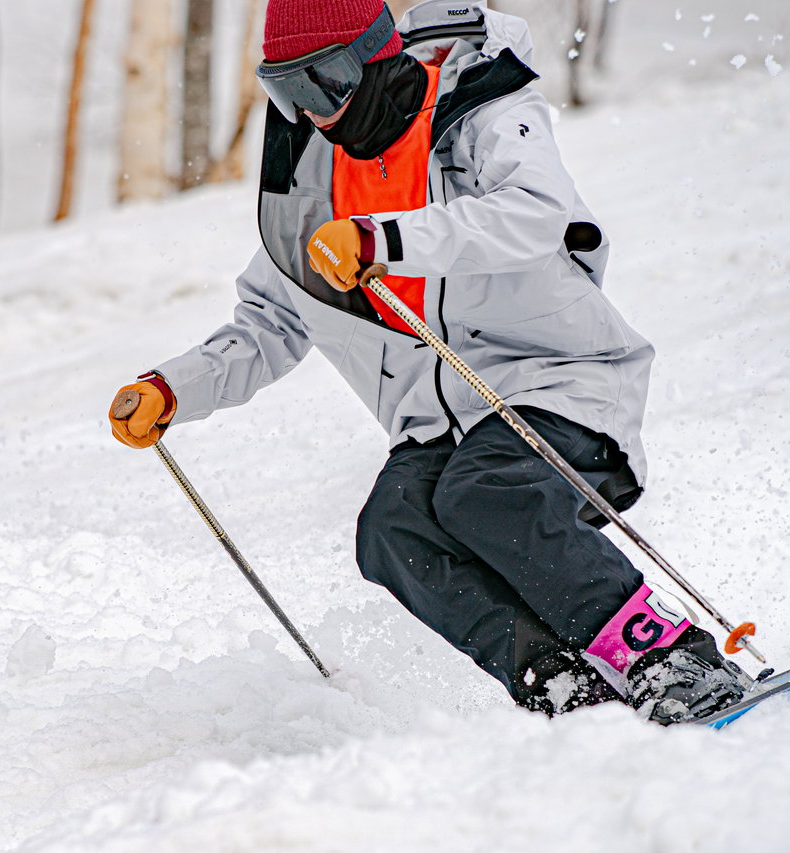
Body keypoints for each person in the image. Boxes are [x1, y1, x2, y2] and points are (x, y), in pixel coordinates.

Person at [110, 0, 750, 724]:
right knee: (394, 529)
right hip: (442, 425)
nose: (316, 114)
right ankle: (564, 684)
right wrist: (170, 390)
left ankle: (672, 660)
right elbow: (271, 321)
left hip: (558, 381)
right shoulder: (315, 193)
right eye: (289, 91)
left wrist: (384, 241)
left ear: (377, 53)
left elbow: (537, 210)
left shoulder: (481, 109)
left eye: (326, 82)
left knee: (488, 491)